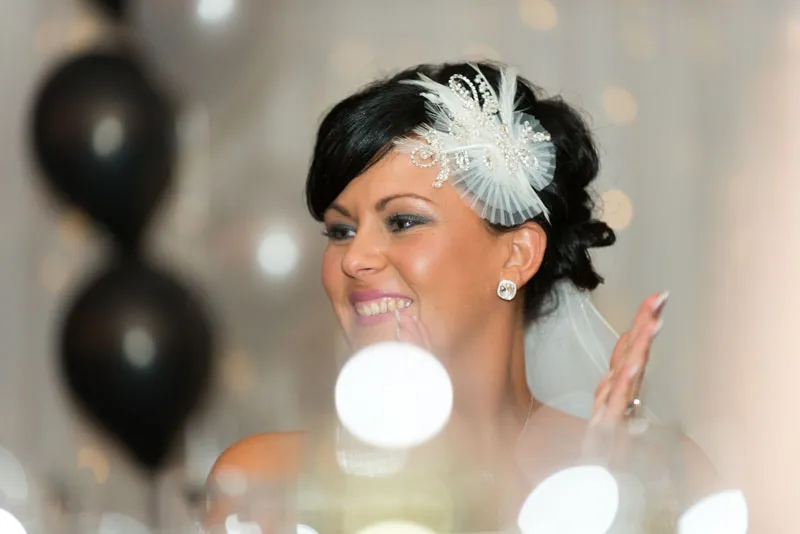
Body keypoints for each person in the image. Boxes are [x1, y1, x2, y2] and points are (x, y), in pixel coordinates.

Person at [210, 60, 718, 533]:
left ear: (516, 255)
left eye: (402, 221)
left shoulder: (658, 476)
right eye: (340, 231)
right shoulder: (266, 485)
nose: (353, 258)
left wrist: (610, 506)